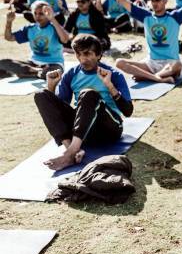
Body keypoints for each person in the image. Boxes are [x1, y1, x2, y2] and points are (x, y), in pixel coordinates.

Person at [33, 34, 133, 171]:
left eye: (87, 54)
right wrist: (51, 87)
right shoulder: (71, 74)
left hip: (108, 129)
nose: (82, 59)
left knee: (88, 93)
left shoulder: (114, 74)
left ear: (99, 54)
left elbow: (128, 111)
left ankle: (70, 154)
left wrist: (109, 86)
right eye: (78, 54)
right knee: (41, 94)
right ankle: (72, 148)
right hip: (82, 131)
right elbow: (58, 113)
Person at [1, 1, 70, 79]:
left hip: (53, 64)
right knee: (3, 63)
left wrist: (52, 18)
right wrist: (9, 22)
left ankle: (30, 72)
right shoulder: (30, 28)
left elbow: (65, 40)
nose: (37, 16)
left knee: (53, 73)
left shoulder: (55, 27)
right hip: (32, 64)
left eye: (41, 14)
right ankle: (33, 71)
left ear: (48, 13)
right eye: (35, 13)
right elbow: (9, 37)